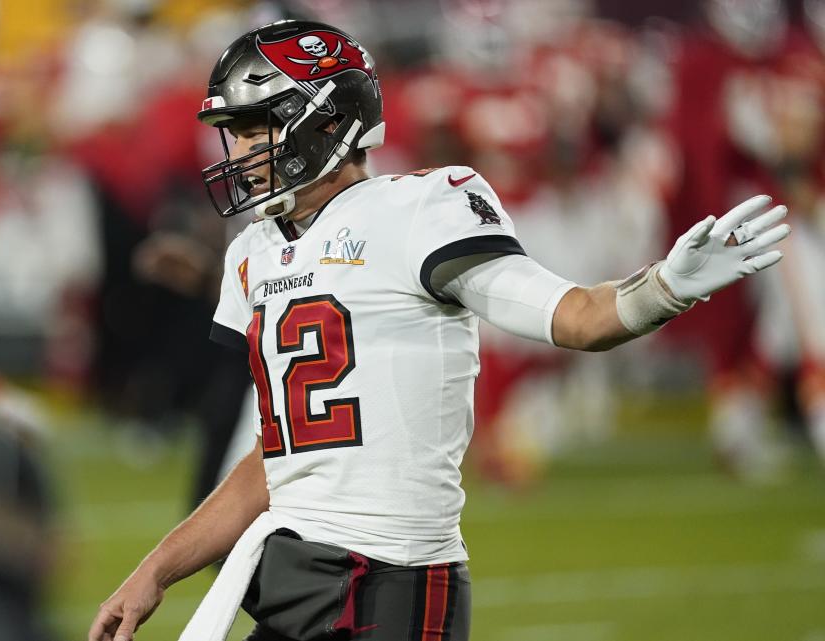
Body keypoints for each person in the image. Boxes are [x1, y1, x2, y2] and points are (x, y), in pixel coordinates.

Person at [89, 20, 790, 641]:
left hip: (389, 580)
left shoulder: (421, 207)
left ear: (327, 122)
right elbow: (276, 458)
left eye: (254, 127)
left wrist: (663, 287)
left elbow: (575, 318)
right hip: (288, 575)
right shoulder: (254, 251)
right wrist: (156, 571)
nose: (237, 149)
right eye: (232, 130)